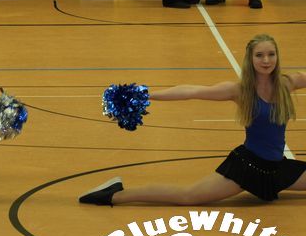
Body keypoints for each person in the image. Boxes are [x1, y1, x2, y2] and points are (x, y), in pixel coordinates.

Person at [80, 34, 306, 206]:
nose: (266, 60)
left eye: (271, 54)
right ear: (250, 59)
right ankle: (115, 194)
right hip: (248, 167)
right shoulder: (239, 90)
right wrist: (147, 95)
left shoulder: (286, 84)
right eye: (259, 55)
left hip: (278, 167)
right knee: (188, 196)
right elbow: (191, 91)